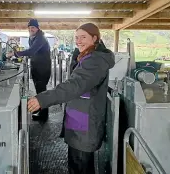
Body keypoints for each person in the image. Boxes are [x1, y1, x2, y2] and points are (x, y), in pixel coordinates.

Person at [27, 23, 115, 173]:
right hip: (79, 121)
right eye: (76, 37)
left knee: (80, 167)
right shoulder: (88, 56)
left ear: (95, 38)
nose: (78, 41)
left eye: (83, 37)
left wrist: (42, 99)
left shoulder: (95, 61)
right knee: (78, 165)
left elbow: (74, 86)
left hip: (85, 126)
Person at [7, 19, 51, 122]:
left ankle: (44, 116)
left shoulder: (41, 38)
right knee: (39, 91)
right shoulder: (32, 38)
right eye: (29, 28)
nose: (31, 29)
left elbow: (31, 51)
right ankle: (41, 111)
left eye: (33, 28)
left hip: (42, 69)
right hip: (36, 66)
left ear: (37, 28)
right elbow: (31, 53)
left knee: (42, 92)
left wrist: (15, 53)